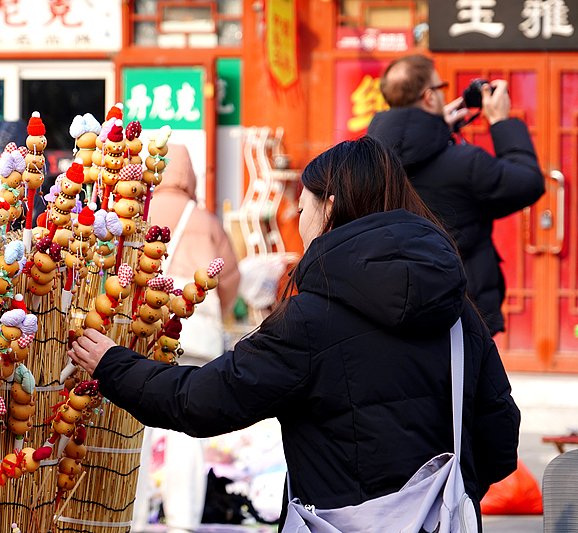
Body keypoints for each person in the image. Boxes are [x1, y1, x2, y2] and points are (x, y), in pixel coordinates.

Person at [68, 136, 521, 531]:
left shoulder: (310, 319)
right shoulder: (458, 312)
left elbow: (200, 401)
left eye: (302, 207)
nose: (298, 219)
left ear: (329, 207)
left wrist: (112, 362)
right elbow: (500, 441)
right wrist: (428, 498)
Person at [367, 54, 545, 336]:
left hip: (390, 308)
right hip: (461, 310)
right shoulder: (466, 163)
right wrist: (500, 121)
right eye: (441, 88)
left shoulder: (369, 162)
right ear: (429, 98)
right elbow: (529, 183)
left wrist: (436, 130)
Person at [131, 144, 241, 533]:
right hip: (194, 335)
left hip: (143, 331)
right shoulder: (206, 220)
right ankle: (183, 521)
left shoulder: (137, 211)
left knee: (135, 426)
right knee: (186, 427)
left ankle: (132, 515)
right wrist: (220, 314)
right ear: (190, 175)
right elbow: (229, 279)